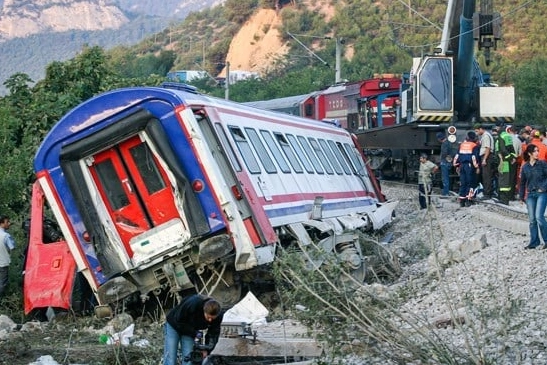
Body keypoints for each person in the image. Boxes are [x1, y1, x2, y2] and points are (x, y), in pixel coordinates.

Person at [163, 294, 224, 365]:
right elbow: (178, 321)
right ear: (204, 310)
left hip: (190, 330)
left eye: (212, 318)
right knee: (171, 358)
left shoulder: (218, 316)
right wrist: (195, 333)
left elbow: (213, 334)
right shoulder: (193, 303)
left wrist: (206, 349)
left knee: (189, 359)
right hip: (174, 325)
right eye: (208, 317)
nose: (210, 320)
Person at [519, 144, 547, 249]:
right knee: (532, 220)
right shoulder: (525, 167)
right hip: (531, 194)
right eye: (535, 151)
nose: (537, 153)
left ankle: (546, 240)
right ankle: (534, 241)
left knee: (539, 217)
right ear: (530, 153)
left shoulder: (542, 164)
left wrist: (543, 187)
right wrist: (521, 197)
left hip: (542, 193)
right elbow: (522, 183)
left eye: (537, 151)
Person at [453, 131, 481, 207]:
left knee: (463, 183)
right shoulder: (474, 146)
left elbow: (457, 156)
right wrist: (477, 167)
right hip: (470, 166)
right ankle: (469, 200)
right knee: (470, 183)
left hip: (462, 166)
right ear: (474, 138)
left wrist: (457, 166)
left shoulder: (462, 145)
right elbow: (474, 157)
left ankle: (462, 201)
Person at [474, 124, 495, 200]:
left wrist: (484, 159)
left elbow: (488, 148)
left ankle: (487, 194)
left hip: (487, 157)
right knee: (486, 176)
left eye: (477, 131)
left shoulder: (486, 136)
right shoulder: (485, 136)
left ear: (480, 129)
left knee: (487, 176)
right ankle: (488, 192)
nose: (476, 133)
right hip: (487, 156)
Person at [0, 215, 15, 298]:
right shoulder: (6, 236)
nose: (9, 223)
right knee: (3, 283)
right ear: (2, 224)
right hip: (3, 262)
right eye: (7, 222)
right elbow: (12, 248)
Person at [437, 132, 452, 197]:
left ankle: (445, 193)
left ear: (440, 138)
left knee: (445, 178)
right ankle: (446, 191)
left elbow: (444, 153)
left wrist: (441, 160)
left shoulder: (444, 144)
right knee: (446, 178)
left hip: (445, 162)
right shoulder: (448, 143)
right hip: (448, 162)